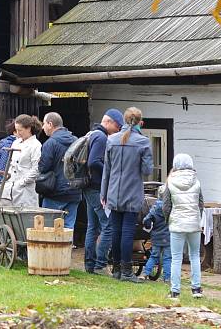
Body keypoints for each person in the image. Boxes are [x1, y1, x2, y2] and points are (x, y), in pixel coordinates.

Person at [101, 106, 153, 283]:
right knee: (127, 232)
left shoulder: (112, 140)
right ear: (140, 122)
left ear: (124, 121)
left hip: (113, 192)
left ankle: (116, 269)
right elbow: (147, 170)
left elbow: (106, 170)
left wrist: (103, 193)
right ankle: (127, 271)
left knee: (116, 231)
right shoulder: (143, 142)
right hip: (132, 193)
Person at [84, 108, 123, 275]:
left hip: (88, 187)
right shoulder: (100, 137)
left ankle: (89, 264)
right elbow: (93, 162)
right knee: (108, 225)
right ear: (108, 122)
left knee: (92, 226)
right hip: (95, 188)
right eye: (118, 126)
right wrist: (110, 170)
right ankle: (100, 265)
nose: (118, 130)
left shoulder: (92, 134)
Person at [162, 153, 205, 300]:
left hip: (177, 224)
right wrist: (196, 218)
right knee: (194, 256)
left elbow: (166, 205)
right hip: (194, 224)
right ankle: (196, 289)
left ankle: (175, 291)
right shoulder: (196, 181)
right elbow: (201, 203)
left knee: (176, 258)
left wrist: (168, 219)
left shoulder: (171, 181)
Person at [38, 112, 79, 231]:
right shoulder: (76, 140)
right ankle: (66, 250)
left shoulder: (50, 143)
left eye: (44, 124)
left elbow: (44, 167)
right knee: (68, 227)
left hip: (54, 192)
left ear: (50, 124)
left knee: (48, 227)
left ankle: (50, 250)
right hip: (74, 191)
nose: (42, 127)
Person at [0, 114, 42, 208]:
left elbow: (36, 169)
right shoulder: (15, 142)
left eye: (20, 130)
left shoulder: (36, 145)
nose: (17, 133)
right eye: (16, 130)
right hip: (10, 186)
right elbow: (10, 164)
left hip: (25, 189)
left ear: (29, 129)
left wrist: (22, 182)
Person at [141, 184, 172, 282]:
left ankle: (145, 273)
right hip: (168, 236)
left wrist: (148, 226)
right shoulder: (171, 208)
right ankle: (167, 278)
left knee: (154, 256)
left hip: (156, 236)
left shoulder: (155, 208)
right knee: (167, 258)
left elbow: (146, 219)